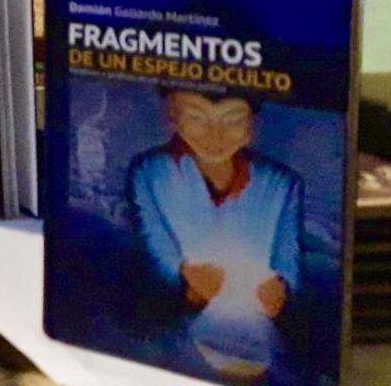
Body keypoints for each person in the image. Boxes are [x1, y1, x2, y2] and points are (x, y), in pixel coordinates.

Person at [127, 90, 304, 322]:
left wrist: (282, 289)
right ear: (172, 117)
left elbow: (289, 259)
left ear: (251, 127)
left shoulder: (281, 183)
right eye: (196, 118)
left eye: (233, 121)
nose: (215, 136)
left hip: (252, 328)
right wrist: (184, 276)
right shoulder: (149, 171)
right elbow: (152, 246)